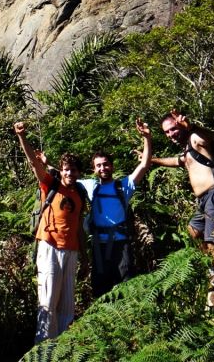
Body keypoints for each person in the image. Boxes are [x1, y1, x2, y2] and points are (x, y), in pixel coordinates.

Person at [151, 110, 214, 307]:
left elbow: (211, 137)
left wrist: (193, 127)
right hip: (204, 201)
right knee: (193, 231)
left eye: (173, 129)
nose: (171, 134)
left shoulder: (195, 138)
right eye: (167, 132)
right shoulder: (187, 150)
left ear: (180, 125)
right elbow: (174, 161)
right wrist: (150, 160)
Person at [14, 121, 86, 342]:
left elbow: (79, 227)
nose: (70, 173)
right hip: (50, 246)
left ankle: (62, 347)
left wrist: (85, 256)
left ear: (78, 172)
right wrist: (22, 137)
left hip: (71, 251)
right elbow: (34, 164)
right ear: (61, 171)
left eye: (73, 170)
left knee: (67, 305)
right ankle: (44, 350)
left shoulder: (80, 194)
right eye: (66, 170)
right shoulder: (50, 185)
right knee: (47, 301)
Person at [77, 118, 153, 297]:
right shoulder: (90, 186)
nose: (103, 168)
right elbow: (65, 177)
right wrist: (43, 163)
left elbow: (144, 165)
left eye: (105, 164)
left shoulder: (123, 186)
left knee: (126, 285)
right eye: (98, 166)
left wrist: (147, 138)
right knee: (101, 290)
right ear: (94, 169)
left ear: (111, 166)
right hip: (99, 245)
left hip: (121, 243)